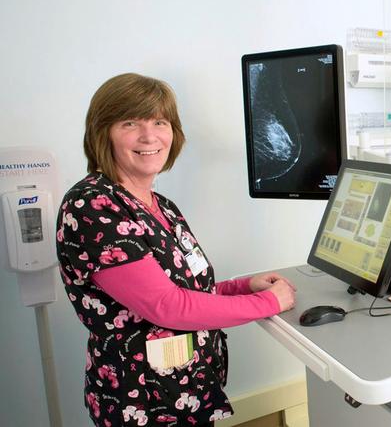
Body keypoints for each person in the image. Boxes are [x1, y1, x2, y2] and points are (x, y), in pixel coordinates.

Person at [56, 73, 296, 426]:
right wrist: (268, 303)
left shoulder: (160, 205)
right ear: (102, 132)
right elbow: (166, 306)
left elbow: (183, 287)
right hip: (142, 403)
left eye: (159, 122)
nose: (149, 136)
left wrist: (242, 286)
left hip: (185, 392)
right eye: (130, 122)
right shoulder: (92, 206)